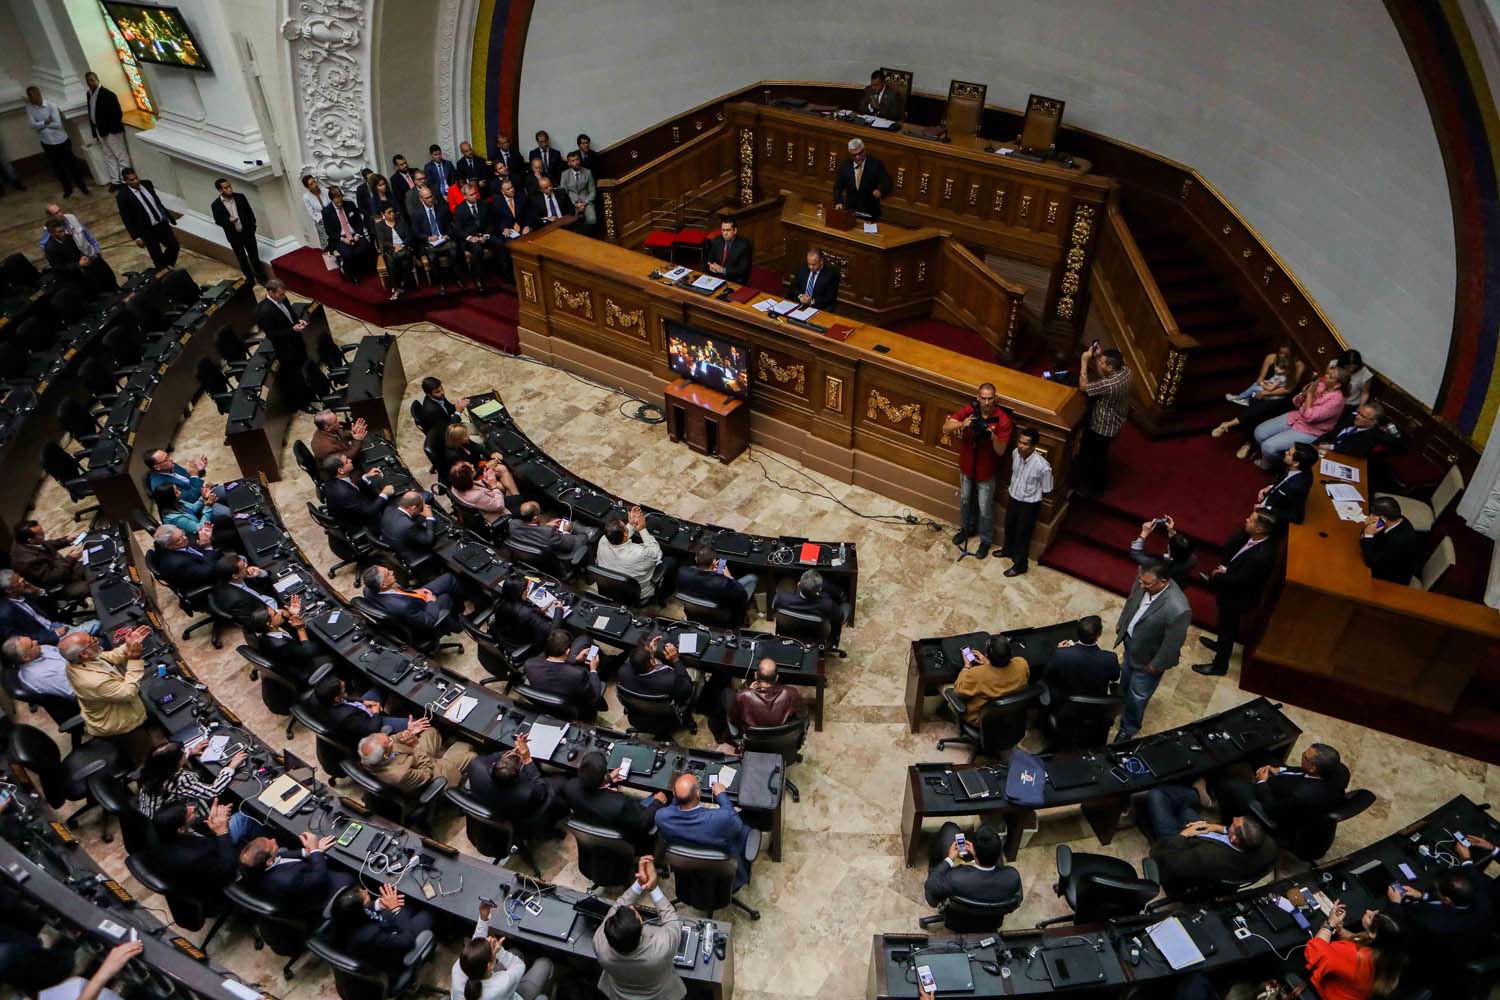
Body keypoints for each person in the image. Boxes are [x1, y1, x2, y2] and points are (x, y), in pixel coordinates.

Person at [1193, 508, 1280, 677]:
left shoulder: (1260, 556)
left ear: (1260, 529)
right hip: (1233, 585)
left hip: (1238, 598)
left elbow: (1239, 581)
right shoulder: (1254, 538)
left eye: (1252, 520)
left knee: (1228, 629)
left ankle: (1219, 665)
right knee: (1225, 625)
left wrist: (1217, 577)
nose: (1246, 520)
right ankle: (1220, 645)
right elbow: (1230, 546)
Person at [1112, 561, 1192, 742]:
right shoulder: (1144, 579)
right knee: (1125, 678)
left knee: (1138, 695)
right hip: (1131, 643)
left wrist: (1156, 665)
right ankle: (1119, 704)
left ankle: (1129, 726)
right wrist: (1123, 623)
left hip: (1149, 659)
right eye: (1141, 581)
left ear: (1163, 581)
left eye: (1147, 584)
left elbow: (1173, 644)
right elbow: (1132, 601)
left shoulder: (1178, 608)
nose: (1141, 585)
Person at [593, 856, 685, 1000]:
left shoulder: (599, 943)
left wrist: (639, 884)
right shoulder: (662, 948)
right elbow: (672, 921)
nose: (630, 906)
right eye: (635, 912)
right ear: (641, 927)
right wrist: (654, 888)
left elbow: (616, 907)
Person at [1387, 867, 1496, 987]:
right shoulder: (1484, 901)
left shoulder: (1432, 923)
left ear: (1447, 900)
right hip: (1473, 945)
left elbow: (1401, 928)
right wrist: (1423, 896)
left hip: (1436, 961)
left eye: (1437, 891)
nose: (1435, 891)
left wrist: (1395, 903)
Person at [1210, 742, 1350, 833]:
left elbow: (1271, 809)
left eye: (1304, 757)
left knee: (1227, 784)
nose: (1302, 756)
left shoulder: (1301, 796)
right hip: (1287, 783)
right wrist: (1280, 769)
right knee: (1260, 753)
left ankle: (1228, 821)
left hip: (1274, 800)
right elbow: (1302, 771)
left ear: (1313, 767)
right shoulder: (1339, 771)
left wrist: (1262, 782)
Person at [943, 383, 1013, 558]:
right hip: (967, 466)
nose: (987, 402)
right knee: (966, 500)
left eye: (990, 398)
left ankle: (985, 541)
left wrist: (992, 435)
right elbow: (946, 428)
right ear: (978, 397)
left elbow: (1001, 450)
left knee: (984, 508)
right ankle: (967, 528)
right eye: (984, 398)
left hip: (986, 472)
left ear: (995, 398)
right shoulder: (970, 410)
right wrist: (962, 423)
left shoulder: (1002, 419)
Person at [656, 773, 753, 888]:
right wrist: (721, 795)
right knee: (745, 829)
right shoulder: (720, 819)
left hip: (689, 871)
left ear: (673, 794)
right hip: (723, 876)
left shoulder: (661, 817)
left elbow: (672, 808)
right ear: (698, 793)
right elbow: (737, 825)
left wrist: (679, 795)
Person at [466, 733, 569, 839]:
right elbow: (541, 789)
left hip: (490, 804)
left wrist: (514, 750)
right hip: (519, 817)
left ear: (493, 765)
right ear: (518, 776)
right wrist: (527, 759)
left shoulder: (476, 766)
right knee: (562, 781)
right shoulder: (527, 793)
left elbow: (493, 757)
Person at [564, 750, 669, 854]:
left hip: (597, 821)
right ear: (604, 775)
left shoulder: (570, 786)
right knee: (660, 796)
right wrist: (658, 802)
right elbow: (643, 823)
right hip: (628, 838)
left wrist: (608, 780)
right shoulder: (620, 804)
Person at [1147, 813, 1277, 896]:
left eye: (1233, 823)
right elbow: (1235, 834)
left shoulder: (1206, 857)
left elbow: (1173, 865)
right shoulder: (1269, 846)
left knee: (1157, 798)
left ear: (1233, 839)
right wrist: (1214, 827)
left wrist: (1184, 834)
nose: (1234, 817)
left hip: (1183, 852)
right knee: (1187, 812)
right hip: (1208, 844)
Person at [326, 883, 435, 978]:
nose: (366, 891)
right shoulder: (371, 936)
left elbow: (361, 913)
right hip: (392, 958)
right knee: (428, 914)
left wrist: (379, 904)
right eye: (365, 898)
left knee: (404, 905)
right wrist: (396, 909)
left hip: (378, 932)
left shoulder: (343, 919)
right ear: (360, 911)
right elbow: (407, 940)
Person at [452, 900, 554, 1000]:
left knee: (515, 951)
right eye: (490, 949)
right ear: (490, 965)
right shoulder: (502, 984)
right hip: (510, 993)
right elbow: (519, 965)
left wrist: (483, 919)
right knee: (545, 963)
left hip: (499, 985)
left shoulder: (458, 971)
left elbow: (475, 945)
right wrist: (500, 951)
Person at [1249, 367, 1348, 466]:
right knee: (1259, 432)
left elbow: (1310, 417)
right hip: (1297, 417)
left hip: (1311, 430)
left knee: (1268, 446)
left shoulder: (1337, 400)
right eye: (1326, 373)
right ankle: (1268, 455)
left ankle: (1274, 464)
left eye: (1330, 377)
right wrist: (1303, 394)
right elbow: (1296, 402)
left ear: (1337, 385)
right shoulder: (1320, 385)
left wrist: (1309, 395)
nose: (1325, 376)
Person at [1305, 902, 1406, 1000]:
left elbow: (1314, 952)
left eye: (1370, 917)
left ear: (1374, 933)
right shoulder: (1389, 955)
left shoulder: (1356, 955)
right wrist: (1340, 930)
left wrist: (1329, 925)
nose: (1367, 911)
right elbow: (1358, 939)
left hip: (1326, 994)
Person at [135, 738, 246, 822]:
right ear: (175, 764)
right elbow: (214, 791)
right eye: (182, 754)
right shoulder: (178, 780)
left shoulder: (150, 772)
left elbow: (168, 762)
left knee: (200, 773)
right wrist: (231, 766)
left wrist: (191, 752)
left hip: (150, 816)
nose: (185, 752)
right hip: (174, 821)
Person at [237, 831, 353, 910]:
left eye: (269, 839)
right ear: (269, 862)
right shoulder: (289, 880)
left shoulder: (250, 865)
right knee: (348, 876)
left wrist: (310, 851)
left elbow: (281, 855)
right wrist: (315, 851)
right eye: (271, 845)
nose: (273, 840)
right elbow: (319, 878)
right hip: (319, 894)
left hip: (300, 878)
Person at [143, 799, 240, 893]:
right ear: (181, 830)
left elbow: (192, 823)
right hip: (217, 872)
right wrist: (222, 831)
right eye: (189, 813)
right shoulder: (193, 857)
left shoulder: (158, 827)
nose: (193, 807)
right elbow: (228, 868)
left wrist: (211, 819)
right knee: (242, 820)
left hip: (202, 852)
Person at [358, 723, 475, 797]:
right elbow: (426, 773)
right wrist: (416, 747)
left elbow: (392, 738)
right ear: (384, 756)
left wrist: (408, 732)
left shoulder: (367, 755)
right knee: (470, 755)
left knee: (431, 731)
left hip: (413, 757)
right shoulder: (400, 775)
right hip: (430, 771)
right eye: (389, 742)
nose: (391, 738)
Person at [1076, 344, 1132, 496]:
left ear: (1110, 367)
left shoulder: (1110, 384)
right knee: (1099, 454)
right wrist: (1098, 357)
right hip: (1117, 419)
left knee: (1093, 457)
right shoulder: (1126, 371)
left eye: (1102, 362)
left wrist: (1084, 361)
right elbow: (1105, 374)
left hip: (1102, 426)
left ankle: (1094, 488)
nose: (1099, 362)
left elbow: (1084, 387)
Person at [924, 823, 1021, 908]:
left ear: (975, 853)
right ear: (999, 853)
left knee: (949, 828)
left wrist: (949, 859)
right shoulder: (1012, 876)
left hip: (958, 919)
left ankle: (935, 861)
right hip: (991, 920)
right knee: (986, 829)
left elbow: (930, 886)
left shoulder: (955, 877)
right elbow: (1017, 900)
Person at [999, 426, 1053, 576]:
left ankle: (1020, 564)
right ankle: (1007, 550)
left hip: (1029, 503)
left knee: (1023, 534)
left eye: (1025, 444)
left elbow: (1047, 488)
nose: (1021, 446)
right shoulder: (1015, 453)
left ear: (1034, 446)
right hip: (1014, 496)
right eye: (1020, 442)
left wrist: (1031, 494)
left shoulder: (1042, 466)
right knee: (1009, 525)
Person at [362, 564, 467, 638]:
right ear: (383, 585)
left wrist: (416, 591)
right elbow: (428, 621)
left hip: (414, 598)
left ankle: (462, 604)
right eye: (388, 574)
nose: (392, 571)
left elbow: (399, 593)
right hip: (422, 609)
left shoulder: (368, 589)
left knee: (449, 578)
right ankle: (459, 624)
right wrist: (431, 601)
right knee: (446, 596)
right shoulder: (403, 607)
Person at [522, 628, 604, 718]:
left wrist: (575, 659)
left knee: (583, 640)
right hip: (575, 708)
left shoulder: (529, 665)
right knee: (584, 640)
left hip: (547, 703)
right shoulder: (577, 675)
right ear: (568, 651)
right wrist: (593, 670)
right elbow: (594, 698)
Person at [25, 87, 90, 197]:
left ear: (38, 95)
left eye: (32, 97)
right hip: (46, 142)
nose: (31, 99)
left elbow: (57, 125)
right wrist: (45, 121)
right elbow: (31, 125)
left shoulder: (51, 105)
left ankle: (82, 186)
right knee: (57, 167)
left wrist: (40, 125)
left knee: (72, 165)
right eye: (29, 97)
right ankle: (67, 188)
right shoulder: (29, 107)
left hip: (61, 141)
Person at [952, 635, 1030, 723]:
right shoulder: (1021, 663)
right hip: (1011, 713)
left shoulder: (976, 674)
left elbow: (958, 692)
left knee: (946, 687)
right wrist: (988, 663)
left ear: (987, 654)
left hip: (983, 720)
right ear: (1010, 652)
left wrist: (967, 667)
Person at [1044, 615, 1120, 704]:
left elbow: (1048, 675)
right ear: (1099, 635)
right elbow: (1115, 677)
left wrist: (1059, 650)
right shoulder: (1110, 658)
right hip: (1096, 706)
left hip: (1066, 705)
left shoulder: (1061, 654)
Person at [0, 570, 91, 644]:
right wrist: (54, 635)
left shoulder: (26, 592)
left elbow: (54, 603)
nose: (24, 582)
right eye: (19, 583)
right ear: (9, 590)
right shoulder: (5, 614)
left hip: (56, 624)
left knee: (94, 630)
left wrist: (38, 591)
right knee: (96, 626)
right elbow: (20, 640)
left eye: (21, 578)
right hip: (47, 638)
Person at [677, 543, 758, 625]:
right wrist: (729, 577)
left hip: (694, 613)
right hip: (720, 617)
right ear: (714, 562)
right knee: (752, 578)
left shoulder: (682, 572)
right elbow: (741, 594)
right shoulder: (723, 583)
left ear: (696, 559)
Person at [770, 569, 850, 651]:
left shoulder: (781, 599)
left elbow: (774, 610)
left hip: (788, 631)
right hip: (817, 635)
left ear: (798, 584)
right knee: (845, 606)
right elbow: (840, 618)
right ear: (819, 590)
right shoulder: (827, 604)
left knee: (786, 581)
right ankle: (832, 642)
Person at [313, 676, 412, 743]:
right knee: (413, 723)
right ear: (336, 698)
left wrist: (363, 702)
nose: (345, 690)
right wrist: (376, 712)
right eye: (343, 690)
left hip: (359, 710)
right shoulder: (347, 717)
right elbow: (372, 730)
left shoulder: (322, 697)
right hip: (370, 722)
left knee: (383, 685)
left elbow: (345, 698)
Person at [247, 598, 325, 682]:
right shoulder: (280, 645)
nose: (279, 612)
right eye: (275, 613)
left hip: (295, 656)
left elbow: (290, 630)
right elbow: (310, 651)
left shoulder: (268, 631)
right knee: (328, 647)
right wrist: (300, 629)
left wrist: (290, 615)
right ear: (269, 624)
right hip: (306, 670)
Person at [116, 167, 179, 268]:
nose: (136, 181)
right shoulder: (123, 196)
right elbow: (126, 218)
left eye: (136, 178)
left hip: (161, 223)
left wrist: (167, 215)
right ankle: (163, 271)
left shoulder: (147, 184)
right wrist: (136, 237)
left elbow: (157, 202)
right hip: (146, 230)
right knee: (157, 256)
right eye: (132, 180)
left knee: (174, 246)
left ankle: (167, 265)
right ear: (126, 181)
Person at [10, 520, 88, 600]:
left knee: (92, 565)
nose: (44, 534)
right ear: (30, 540)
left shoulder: (25, 541)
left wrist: (66, 540)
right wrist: (71, 558)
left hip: (63, 569)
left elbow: (45, 544)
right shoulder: (28, 562)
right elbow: (54, 578)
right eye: (41, 534)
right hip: (58, 587)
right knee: (93, 586)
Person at [42, 214, 116, 295]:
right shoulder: (50, 248)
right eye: (59, 232)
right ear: (51, 233)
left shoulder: (68, 238)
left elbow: (77, 251)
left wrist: (83, 258)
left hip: (80, 270)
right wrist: (78, 264)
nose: (63, 233)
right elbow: (58, 267)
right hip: (69, 279)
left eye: (63, 230)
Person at [210, 178, 265, 284]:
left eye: (230, 186)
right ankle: (250, 279)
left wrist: (252, 226)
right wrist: (228, 221)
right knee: (242, 259)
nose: (230, 189)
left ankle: (261, 277)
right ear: (220, 190)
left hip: (247, 232)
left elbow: (249, 212)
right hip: (234, 236)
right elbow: (218, 221)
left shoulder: (240, 197)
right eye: (226, 188)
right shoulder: (216, 205)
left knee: (254, 256)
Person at [619, 635, 697, 708]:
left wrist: (650, 654)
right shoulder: (670, 680)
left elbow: (636, 660)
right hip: (668, 713)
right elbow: (687, 691)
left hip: (642, 708)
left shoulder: (622, 671)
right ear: (652, 662)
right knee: (695, 670)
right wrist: (675, 660)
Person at [728, 658, 805, 731]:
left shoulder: (743, 696)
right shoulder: (791, 693)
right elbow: (802, 716)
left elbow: (734, 720)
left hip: (753, 739)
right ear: (776, 678)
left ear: (756, 675)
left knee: (726, 694)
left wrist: (748, 690)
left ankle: (722, 737)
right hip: (782, 740)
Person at [411, 185, 463, 293]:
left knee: (454, 250)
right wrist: (428, 237)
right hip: (430, 243)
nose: (430, 199)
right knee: (432, 256)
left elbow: (451, 225)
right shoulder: (416, 213)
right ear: (421, 199)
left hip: (443, 239)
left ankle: (457, 278)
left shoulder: (442, 208)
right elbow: (416, 232)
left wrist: (447, 234)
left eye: (431, 196)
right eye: (427, 198)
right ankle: (440, 283)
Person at [1360, 496, 1422, 584]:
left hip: (1391, 579)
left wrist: (1368, 534)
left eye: (1373, 514)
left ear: (1383, 518)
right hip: (1383, 559)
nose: (1370, 516)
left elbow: (1371, 561)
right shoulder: (1396, 519)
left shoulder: (1398, 541)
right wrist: (1368, 529)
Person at [452, 183, 503, 290]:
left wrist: (486, 235)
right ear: (465, 196)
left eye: (475, 193)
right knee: (477, 249)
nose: (475, 196)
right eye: (471, 195)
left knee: (499, 243)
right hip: (470, 239)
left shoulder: (483, 204)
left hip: (484, 235)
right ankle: (478, 279)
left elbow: (491, 223)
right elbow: (458, 230)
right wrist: (471, 238)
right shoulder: (459, 209)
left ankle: (505, 272)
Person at [509, 500, 589, 567]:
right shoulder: (548, 533)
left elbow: (530, 530)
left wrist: (545, 526)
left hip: (530, 555)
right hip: (549, 560)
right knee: (583, 537)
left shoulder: (513, 524)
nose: (542, 513)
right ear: (535, 518)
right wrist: (565, 531)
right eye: (540, 512)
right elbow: (569, 544)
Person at [84, 72, 130, 188]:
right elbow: (92, 113)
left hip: (112, 131)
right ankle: (115, 181)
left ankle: (126, 182)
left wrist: (109, 129)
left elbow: (117, 114)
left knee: (120, 155)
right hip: (100, 130)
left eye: (92, 80)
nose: (90, 83)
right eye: (88, 81)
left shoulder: (108, 94)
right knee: (108, 155)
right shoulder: (89, 94)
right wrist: (95, 132)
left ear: (97, 79)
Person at [489, 576, 559, 649]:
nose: (527, 591)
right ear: (522, 592)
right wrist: (559, 609)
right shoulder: (525, 613)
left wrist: (540, 611)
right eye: (527, 589)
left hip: (507, 635)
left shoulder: (499, 603)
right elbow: (552, 631)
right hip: (523, 641)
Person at [211, 554, 279, 627]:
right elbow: (256, 623)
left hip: (271, 598)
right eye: (244, 567)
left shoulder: (235, 578)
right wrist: (279, 613)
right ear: (235, 576)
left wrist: (260, 573)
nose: (247, 565)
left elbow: (264, 586)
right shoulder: (237, 601)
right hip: (273, 614)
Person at [832, 137, 891, 219]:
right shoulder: (844, 166)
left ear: (864, 150)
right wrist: (838, 202)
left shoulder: (876, 164)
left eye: (860, 153)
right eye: (854, 155)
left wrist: (880, 190)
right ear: (849, 154)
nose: (857, 157)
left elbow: (886, 182)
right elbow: (838, 187)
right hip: (850, 211)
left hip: (870, 212)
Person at [1128, 516, 1198, 585]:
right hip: (1177, 583)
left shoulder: (1157, 564)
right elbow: (1182, 548)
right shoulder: (1193, 559)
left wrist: (1144, 533)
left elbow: (1135, 553)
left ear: (1169, 548)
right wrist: (1171, 531)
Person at [1257, 442, 1315, 523]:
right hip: (1272, 499)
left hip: (1273, 515)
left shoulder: (1298, 487)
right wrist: (1270, 487)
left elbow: (1297, 517)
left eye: (1289, 454)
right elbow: (1281, 479)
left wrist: (1267, 509)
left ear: (1295, 463)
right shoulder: (1295, 466)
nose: (1286, 452)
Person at [449, 461, 517, 527]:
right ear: (469, 477)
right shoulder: (476, 496)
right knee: (517, 498)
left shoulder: (456, 486)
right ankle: (518, 506)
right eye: (471, 468)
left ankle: (515, 496)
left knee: (502, 471)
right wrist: (494, 487)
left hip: (488, 502)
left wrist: (485, 479)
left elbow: (475, 485)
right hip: (500, 513)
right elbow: (499, 506)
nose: (472, 465)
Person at [379, 490, 439, 565]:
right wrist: (429, 517)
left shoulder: (389, 509)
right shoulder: (408, 525)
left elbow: (426, 495)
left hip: (394, 539)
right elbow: (429, 541)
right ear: (413, 508)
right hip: (414, 553)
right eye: (421, 507)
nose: (423, 508)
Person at [150, 523, 218, 588]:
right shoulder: (178, 564)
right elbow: (208, 572)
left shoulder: (171, 543)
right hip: (206, 577)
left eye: (182, 534)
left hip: (202, 561)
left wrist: (204, 535)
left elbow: (192, 541)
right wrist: (207, 547)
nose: (185, 538)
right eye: (179, 540)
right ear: (169, 546)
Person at [371, 203, 417, 299]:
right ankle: (397, 287)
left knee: (404, 260)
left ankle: (403, 283)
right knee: (391, 261)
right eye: (389, 212)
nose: (392, 214)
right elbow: (382, 241)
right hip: (390, 250)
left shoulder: (401, 221)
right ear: (383, 214)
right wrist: (393, 247)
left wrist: (402, 245)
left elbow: (409, 236)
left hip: (404, 247)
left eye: (393, 212)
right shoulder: (380, 226)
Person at [1317, 402, 1393, 459]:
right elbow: (1330, 433)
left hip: (1339, 458)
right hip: (1321, 451)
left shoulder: (1371, 436)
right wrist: (1314, 445)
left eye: (1362, 416)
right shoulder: (1351, 419)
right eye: (1359, 413)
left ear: (1373, 422)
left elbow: (1353, 452)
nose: (1357, 416)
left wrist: (1330, 447)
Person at [144, 448, 209, 498]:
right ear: (157, 467)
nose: (171, 459)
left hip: (203, 491)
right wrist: (194, 475)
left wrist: (198, 469)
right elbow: (191, 498)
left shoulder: (170, 465)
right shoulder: (161, 486)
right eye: (166, 459)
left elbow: (189, 477)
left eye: (168, 456)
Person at [704, 218, 750, 284]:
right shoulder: (717, 240)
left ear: (735, 230)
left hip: (733, 280)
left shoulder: (744, 246)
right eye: (723, 230)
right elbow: (710, 257)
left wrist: (723, 270)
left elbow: (743, 270)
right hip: (716, 276)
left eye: (728, 230)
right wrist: (710, 265)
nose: (725, 233)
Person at [559, 150, 597, 229]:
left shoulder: (588, 172)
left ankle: (586, 236)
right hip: (572, 204)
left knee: (592, 220)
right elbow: (563, 193)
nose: (576, 162)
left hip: (586, 202)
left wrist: (585, 203)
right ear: (569, 163)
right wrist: (574, 204)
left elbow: (592, 191)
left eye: (577, 159)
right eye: (573, 161)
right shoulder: (564, 174)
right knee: (572, 222)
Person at [302, 173, 331, 245]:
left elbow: (332, 205)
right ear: (308, 187)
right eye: (311, 184)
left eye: (314, 181)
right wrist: (319, 220)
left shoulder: (325, 191)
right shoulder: (306, 197)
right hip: (320, 220)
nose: (314, 185)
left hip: (331, 216)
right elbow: (311, 213)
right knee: (326, 240)